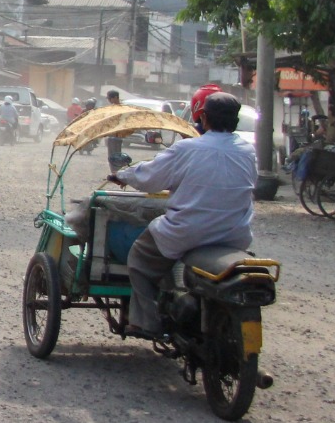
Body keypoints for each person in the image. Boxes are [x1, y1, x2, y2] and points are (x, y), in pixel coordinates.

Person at [109, 92, 255, 337]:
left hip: (187, 232)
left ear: (204, 118)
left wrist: (121, 175)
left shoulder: (188, 148)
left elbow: (150, 176)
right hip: (234, 235)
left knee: (139, 260)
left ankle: (147, 322)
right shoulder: (248, 151)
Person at [104, 90, 128, 170]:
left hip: (117, 135)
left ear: (115, 97)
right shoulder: (112, 108)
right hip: (112, 135)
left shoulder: (121, 108)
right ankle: (115, 171)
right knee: (113, 155)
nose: (109, 100)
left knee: (115, 155)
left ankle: (116, 172)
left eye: (110, 98)